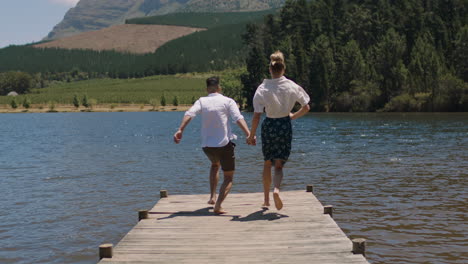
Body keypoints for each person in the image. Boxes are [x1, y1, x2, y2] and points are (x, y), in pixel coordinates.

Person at [174, 77, 250, 214]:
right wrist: (249, 133)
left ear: (207, 89)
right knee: (228, 177)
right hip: (224, 145)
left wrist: (180, 129)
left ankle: (212, 197)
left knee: (215, 165)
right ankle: (218, 205)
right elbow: (238, 118)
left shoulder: (201, 101)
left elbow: (189, 114)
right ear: (219, 88)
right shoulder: (228, 101)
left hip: (207, 146)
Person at [247, 51, 310, 210]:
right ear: (284, 68)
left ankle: (267, 200)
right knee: (279, 164)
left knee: (267, 162)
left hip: (269, 125)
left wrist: (251, 135)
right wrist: (293, 116)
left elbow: (256, 116)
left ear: (270, 69)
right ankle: (276, 189)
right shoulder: (291, 85)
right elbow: (306, 107)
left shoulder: (263, 88)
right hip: (284, 125)